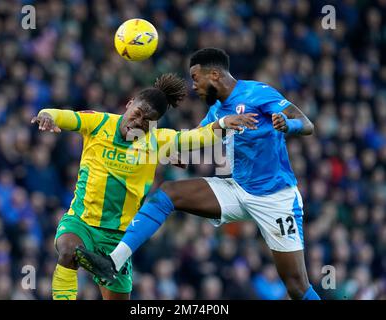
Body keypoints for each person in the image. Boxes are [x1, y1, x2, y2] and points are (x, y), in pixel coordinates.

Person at [76, 48, 321, 300]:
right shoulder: (216, 111)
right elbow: (193, 141)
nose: (193, 86)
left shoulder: (257, 93)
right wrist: (174, 155)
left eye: (195, 78)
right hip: (238, 189)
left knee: (296, 287)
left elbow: (307, 124)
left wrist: (288, 124)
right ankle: (113, 262)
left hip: (276, 198)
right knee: (169, 194)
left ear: (214, 74)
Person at [31, 72, 258, 300]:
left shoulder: (157, 141)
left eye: (146, 122)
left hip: (119, 239)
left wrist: (223, 123)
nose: (138, 122)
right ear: (129, 104)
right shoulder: (98, 122)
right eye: (137, 113)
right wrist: (46, 115)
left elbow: (197, 138)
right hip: (81, 221)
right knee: (69, 251)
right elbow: (62, 115)